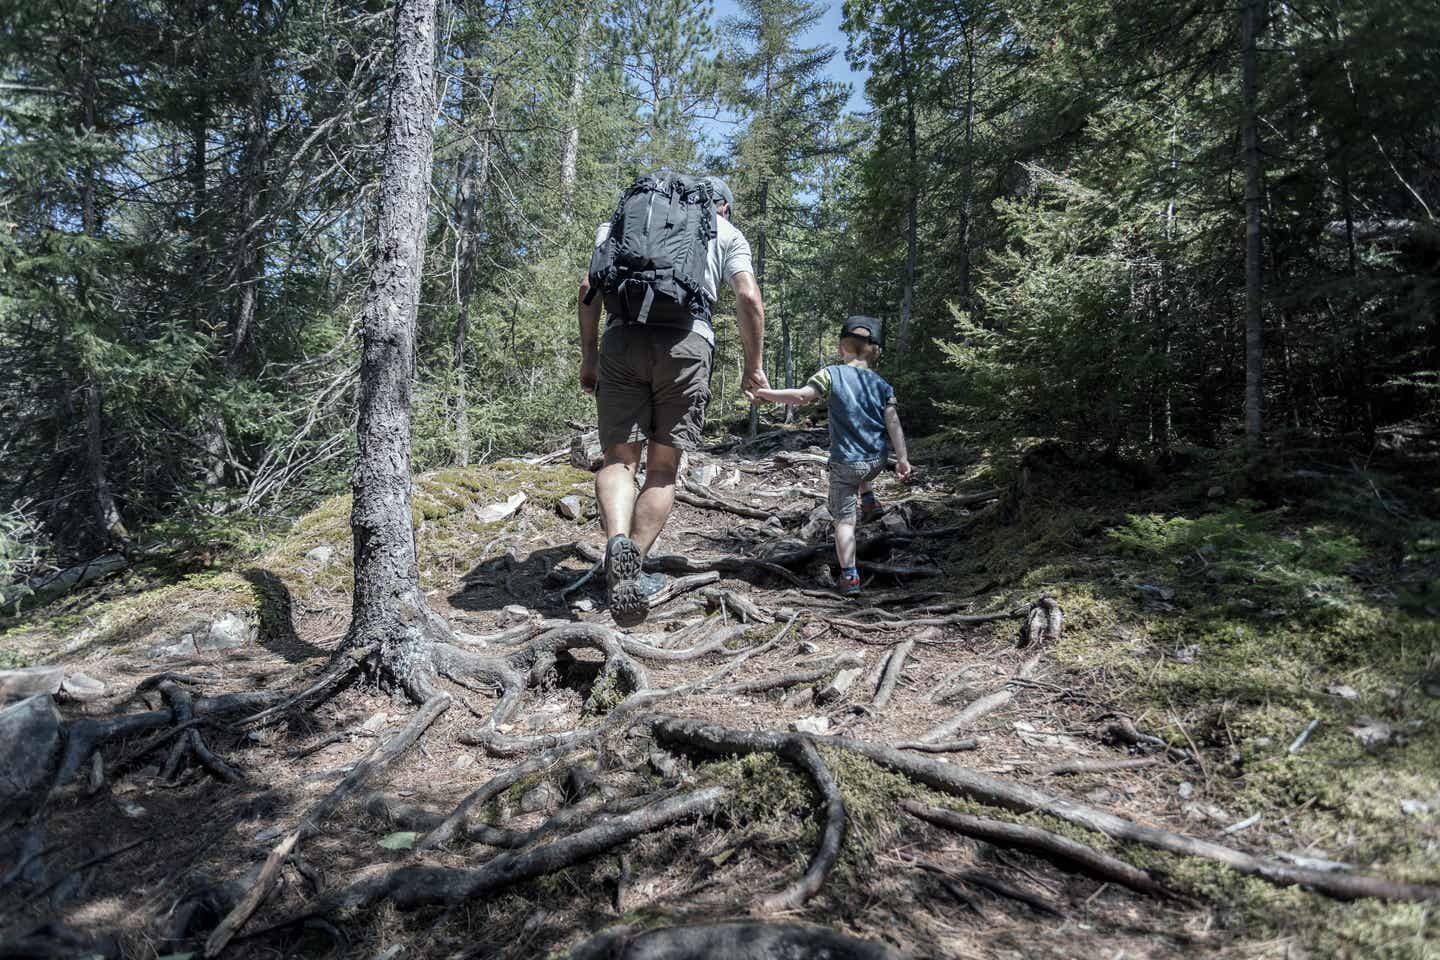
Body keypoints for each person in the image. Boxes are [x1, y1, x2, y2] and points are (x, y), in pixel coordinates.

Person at [578, 175, 768, 621]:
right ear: (723, 206)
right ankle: (630, 566)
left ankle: (615, 543)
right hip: (686, 343)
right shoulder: (725, 232)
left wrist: (589, 358)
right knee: (662, 471)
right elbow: (748, 297)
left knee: (619, 462)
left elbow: (588, 291)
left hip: (622, 340)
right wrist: (752, 365)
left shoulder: (620, 222)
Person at [754, 316, 913, 596]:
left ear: (842, 348)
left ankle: (850, 576)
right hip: (877, 460)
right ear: (876, 351)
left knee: (844, 522)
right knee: (863, 473)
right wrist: (902, 459)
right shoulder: (883, 385)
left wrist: (766, 394)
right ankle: (870, 500)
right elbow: (893, 422)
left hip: (847, 464)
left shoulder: (831, 374)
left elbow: (802, 397)